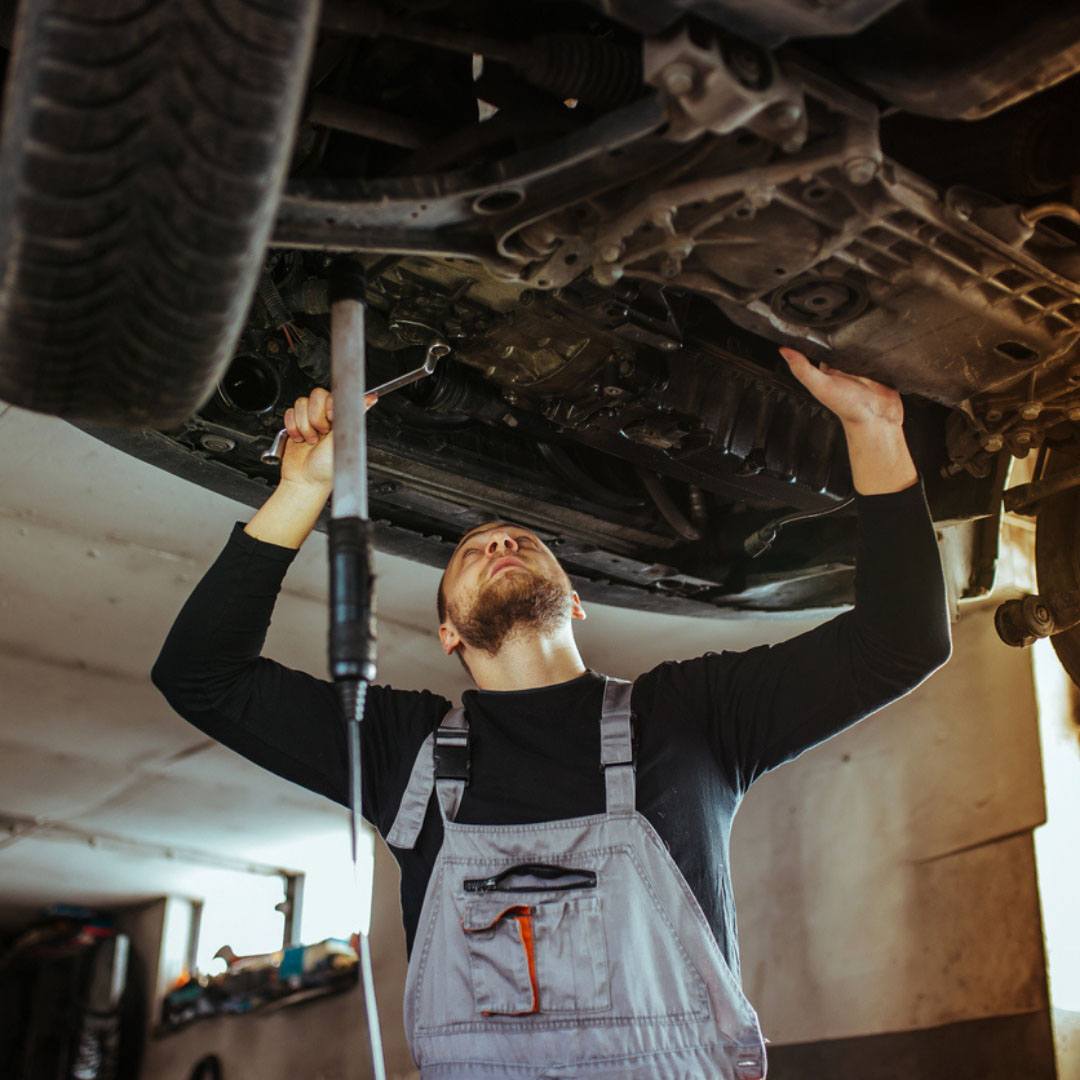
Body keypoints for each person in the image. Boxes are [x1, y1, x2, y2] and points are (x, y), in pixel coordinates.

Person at [152, 347, 951, 1079]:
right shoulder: (407, 752)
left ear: (574, 600)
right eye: (472, 551)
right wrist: (300, 492)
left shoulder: (693, 716)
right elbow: (200, 677)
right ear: (447, 633)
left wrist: (873, 428)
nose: (497, 540)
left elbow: (900, 641)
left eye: (519, 539)